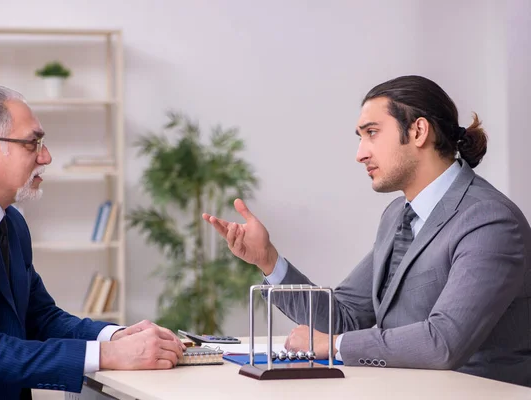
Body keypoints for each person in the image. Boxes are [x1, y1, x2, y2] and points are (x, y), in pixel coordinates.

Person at [204, 75, 531, 387]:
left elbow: (443, 342)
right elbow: (343, 316)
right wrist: (269, 260)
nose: (360, 153)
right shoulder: (397, 216)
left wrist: (333, 346)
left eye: (372, 133)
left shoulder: (489, 221)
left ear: (418, 131)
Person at [0, 85, 185, 399]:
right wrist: (108, 356)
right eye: (32, 143)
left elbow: (40, 318)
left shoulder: (10, 220)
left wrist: (118, 336)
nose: (46, 156)